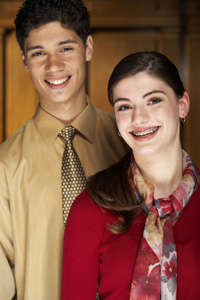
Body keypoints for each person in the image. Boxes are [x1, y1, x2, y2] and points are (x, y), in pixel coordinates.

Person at [0, 0, 128, 299]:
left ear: (89, 48)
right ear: (24, 60)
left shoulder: (129, 144)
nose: (53, 65)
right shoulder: (4, 166)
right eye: (38, 53)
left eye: (65, 48)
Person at [61, 51, 200, 300]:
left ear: (182, 105)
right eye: (125, 106)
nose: (138, 118)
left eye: (153, 100)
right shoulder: (89, 209)